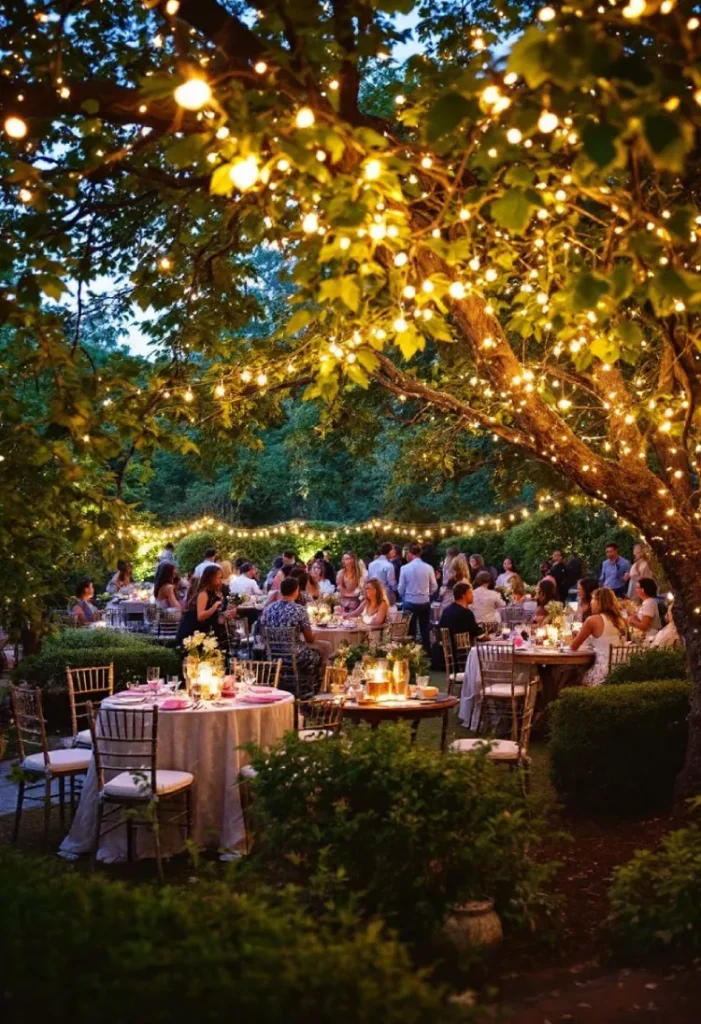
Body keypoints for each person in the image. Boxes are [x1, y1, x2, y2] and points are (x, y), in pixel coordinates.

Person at [260, 577, 331, 675]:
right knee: (322, 651)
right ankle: (322, 682)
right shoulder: (299, 610)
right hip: (296, 657)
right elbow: (309, 639)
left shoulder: (268, 609)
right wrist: (316, 633)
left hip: (272, 655)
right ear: (296, 591)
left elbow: (262, 631)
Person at [570, 587, 627, 686]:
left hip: (602, 673)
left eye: (593, 598)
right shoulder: (621, 620)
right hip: (621, 670)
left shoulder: (593, 620)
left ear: (599, 601)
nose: (591, 602)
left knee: (569, 674)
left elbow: (574, 646)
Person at [176, 564, 235, 646]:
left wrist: (226, 614)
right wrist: (214, 607)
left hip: (210, 629)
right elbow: (200, 616)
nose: (220, 580)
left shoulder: (219, 592)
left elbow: (217, 618)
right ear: (210, 579)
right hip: (195, 632)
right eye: (218, 578)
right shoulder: (204, 593)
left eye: (221, 577)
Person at [398, 542, 436, 651]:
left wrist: (404, 597)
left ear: (410, 553)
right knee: (425, 627)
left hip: (410, 601)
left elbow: (401, 587)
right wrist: (428, 594)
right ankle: (426, 651)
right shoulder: (428, 567)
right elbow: (434, 585)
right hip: (424, 601)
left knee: (410, 629)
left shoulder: (405, 568)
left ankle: (411, 651)